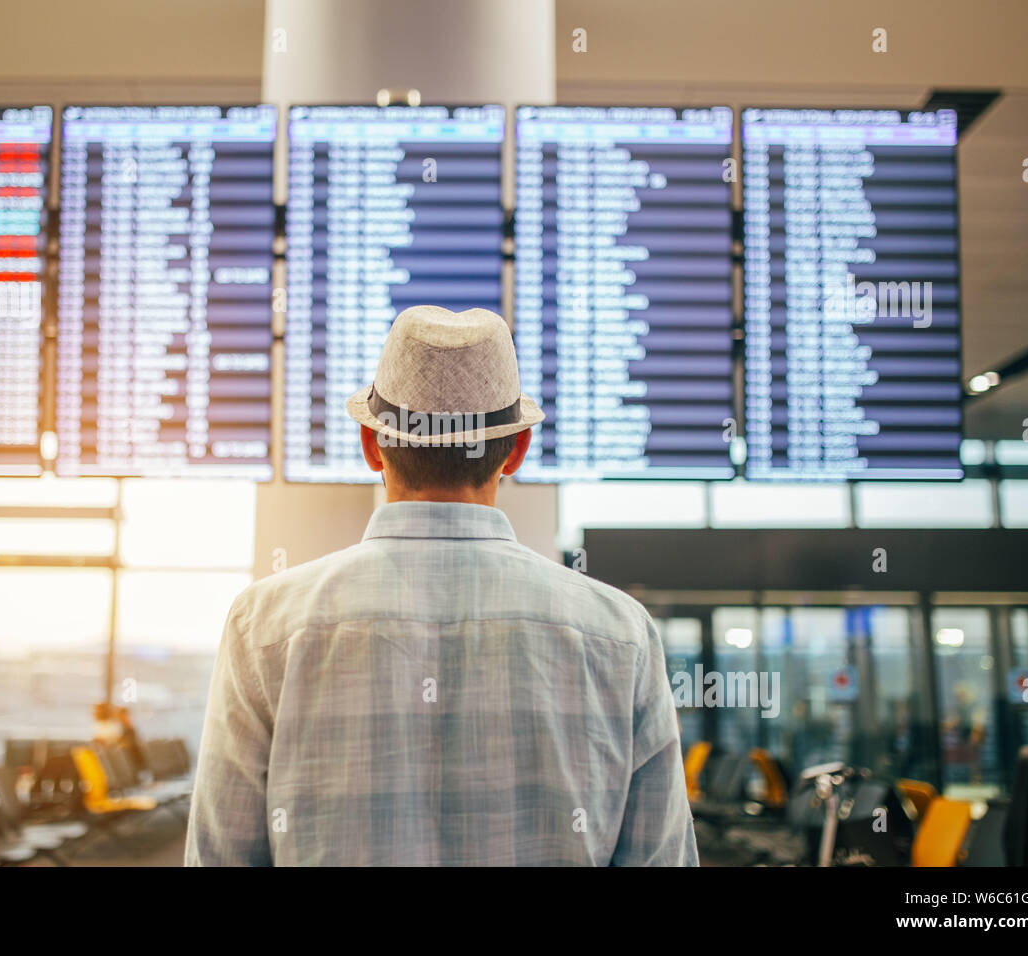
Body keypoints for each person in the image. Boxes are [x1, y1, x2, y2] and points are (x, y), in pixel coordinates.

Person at [186, 305, 698, 866]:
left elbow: (220, 856)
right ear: (516, 452)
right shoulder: (620, 635)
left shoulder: (264, 626)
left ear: (371, 444)